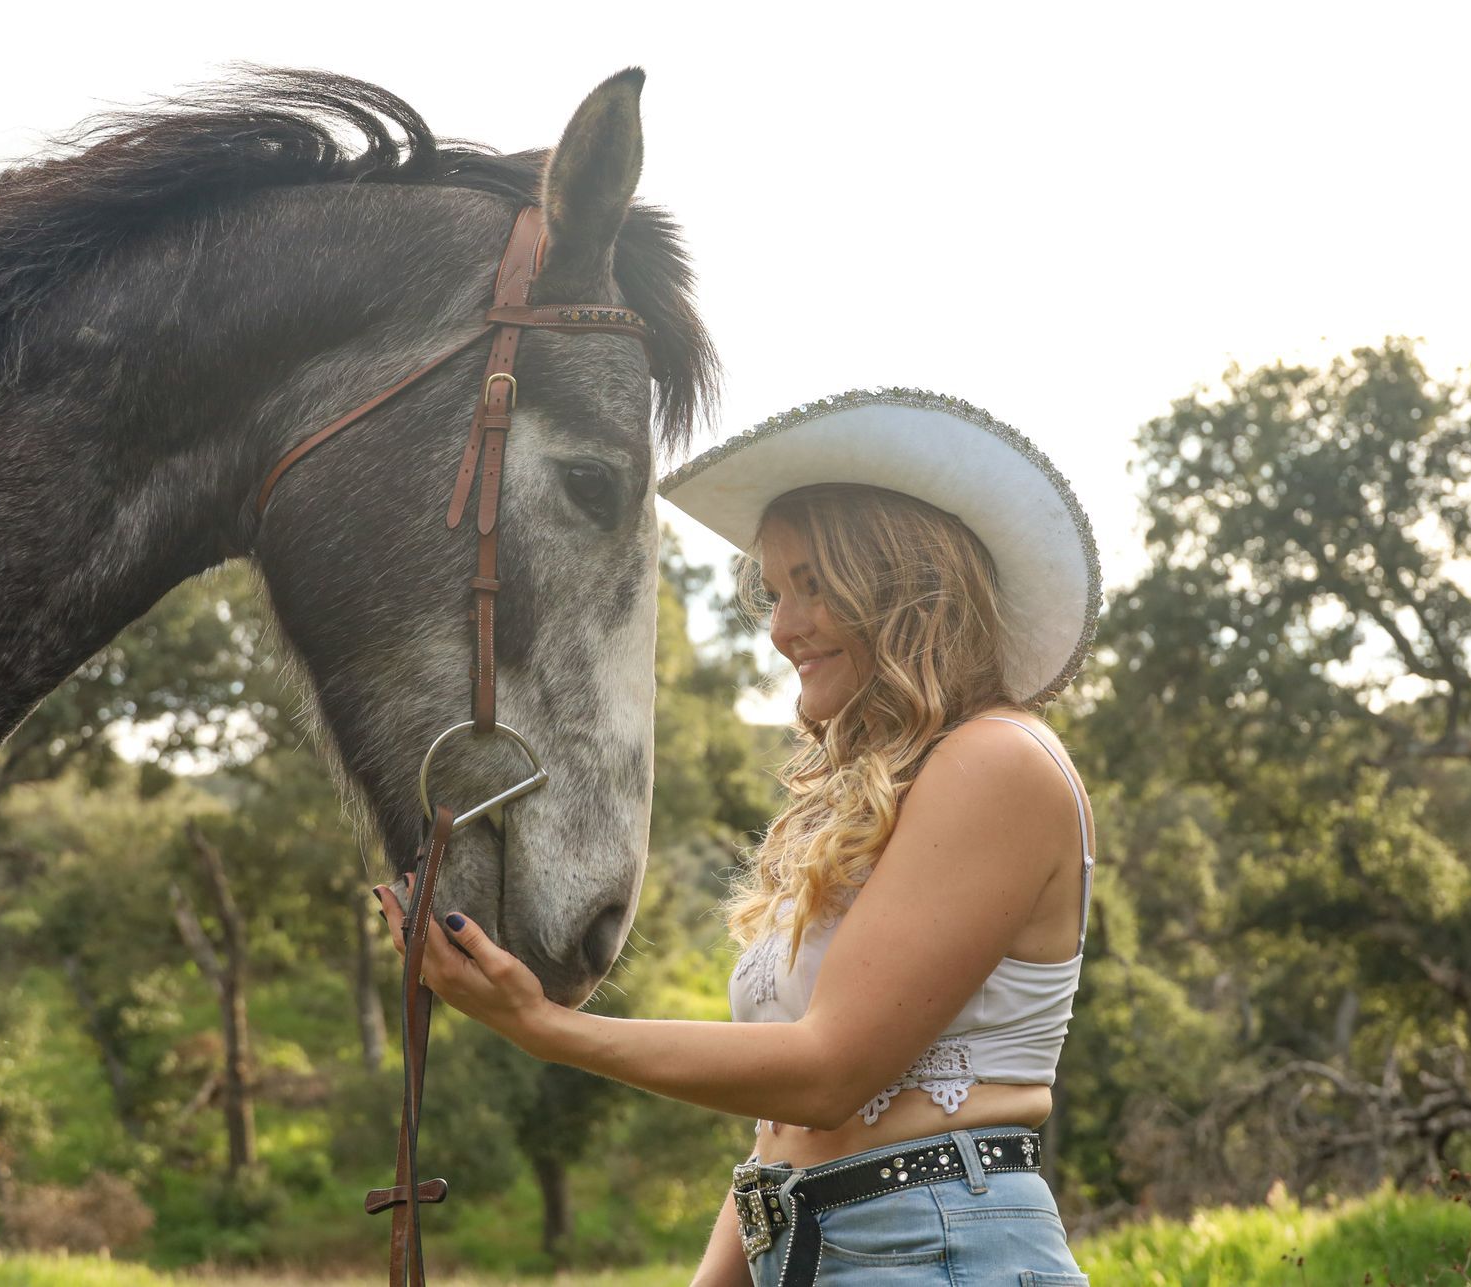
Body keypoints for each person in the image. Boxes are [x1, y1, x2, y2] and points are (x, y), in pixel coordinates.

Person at [375, 388, 1100, 1285]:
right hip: (810, 1248)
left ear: (904, 588)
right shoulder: (875, 798)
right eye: (775, 589)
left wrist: (547, 1026)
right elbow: (786, 1134)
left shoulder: (1000, 761)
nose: (782, 627)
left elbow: (827, 1073)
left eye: (812, 586)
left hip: (942, 1250)